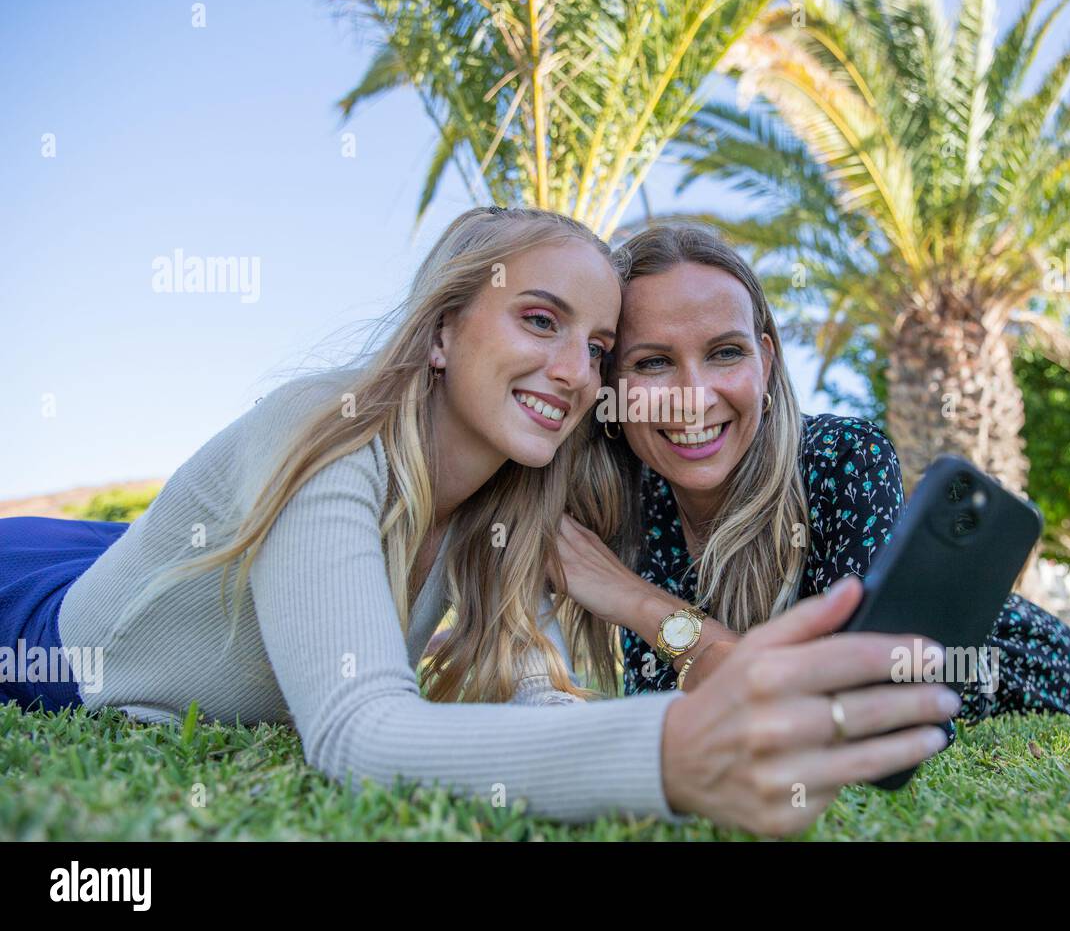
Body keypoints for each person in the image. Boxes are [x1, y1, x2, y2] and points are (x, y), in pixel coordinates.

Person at [0, 207, 953, 836]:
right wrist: (668, 751)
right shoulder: (327, 432)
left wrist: (598, 733)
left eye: (598, 347)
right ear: (445, 328)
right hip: (37, 596)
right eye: (541, 321)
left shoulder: (511, 495)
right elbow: (356, 733)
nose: (578, 372)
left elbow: (531, 689)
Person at [552, 225, 1070, 748]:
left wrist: (633, 601)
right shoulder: (629, 498)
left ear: (765, 364)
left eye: (724, 353)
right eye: (653, 362)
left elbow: (853, 706)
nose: (694, 396)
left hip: (991, 651)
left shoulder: (844, 457)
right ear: (612, 381)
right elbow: (686, 703)